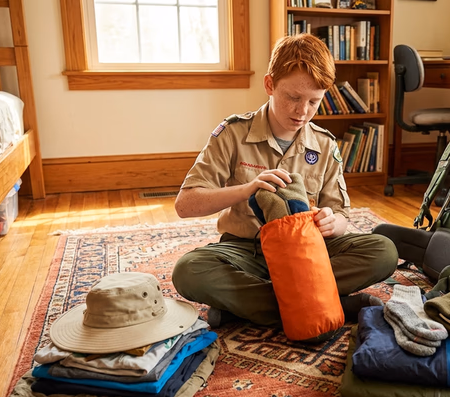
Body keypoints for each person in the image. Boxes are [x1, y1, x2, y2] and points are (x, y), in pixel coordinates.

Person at [171, 33, 398, 334]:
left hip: (309, 252)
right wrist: (249, 188)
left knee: (384, 251)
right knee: (189, 272)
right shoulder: (233, 133)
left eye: (314, 102)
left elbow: (341, 214)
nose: (302, 111)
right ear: (269, 85)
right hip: (247, 251)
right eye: (293, 97)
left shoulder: (325, 144)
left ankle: (250, 307)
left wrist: (334, 222)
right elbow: (185, 205)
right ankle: (332, 304)